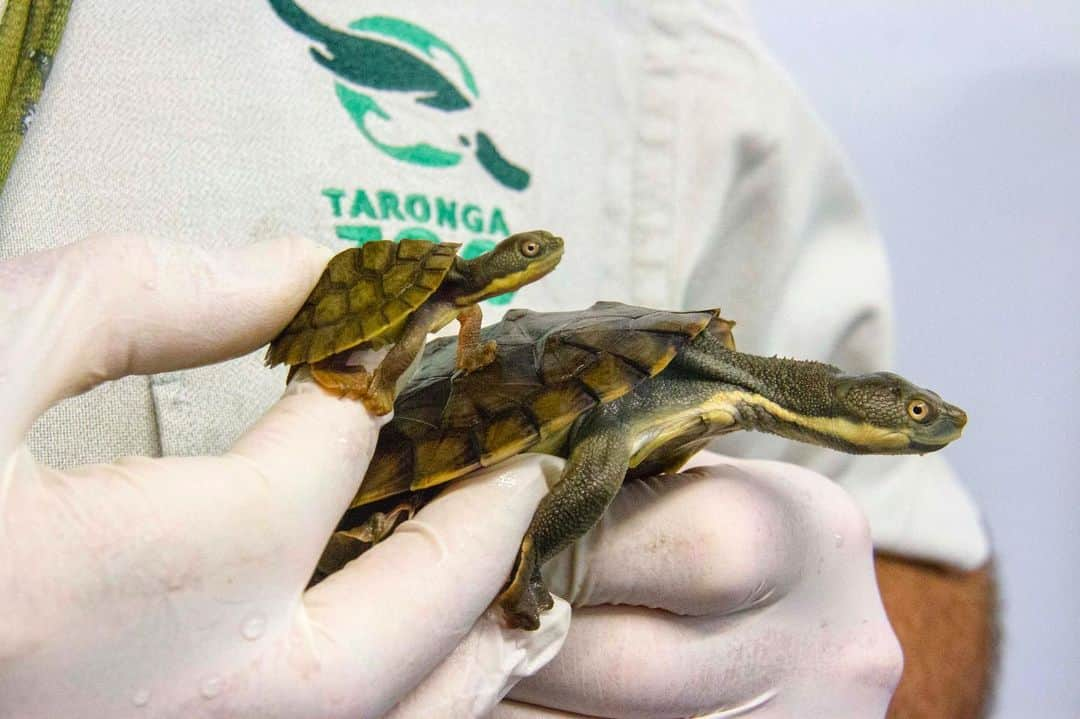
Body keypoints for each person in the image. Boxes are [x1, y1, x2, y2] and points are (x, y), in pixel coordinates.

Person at [0, 2, 992, 717]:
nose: (929, 423)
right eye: (910, 415)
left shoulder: (664, 45)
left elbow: (924, 561)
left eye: (915, 413)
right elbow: (587, 474)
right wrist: (534, 573)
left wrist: (858, 674)